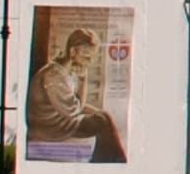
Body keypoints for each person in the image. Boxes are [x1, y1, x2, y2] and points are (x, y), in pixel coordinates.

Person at [25, 22, 128, 164]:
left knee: (105, 116)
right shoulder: (54, 76)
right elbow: (73, 110)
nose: (89, 62)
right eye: (86, 56)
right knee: (100, 123)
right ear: (72, 52)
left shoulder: (65, 72)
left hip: (59, 119)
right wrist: (84, 80)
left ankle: (114, 161)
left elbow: (75, 103)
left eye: (91, 57)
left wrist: (100, 112)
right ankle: (111, 163)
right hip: (50, 127)